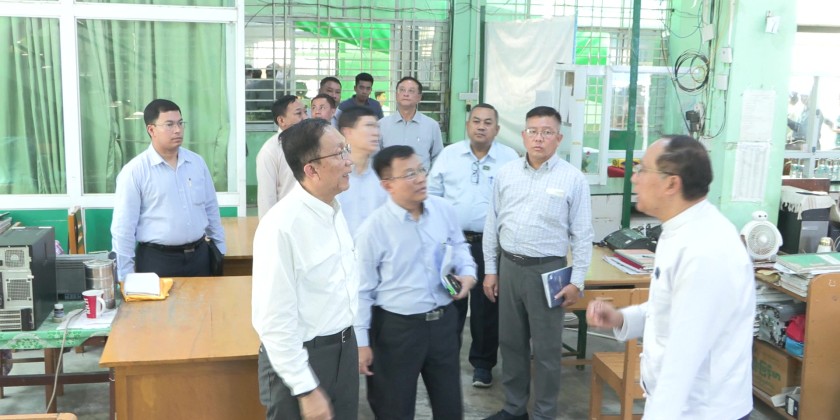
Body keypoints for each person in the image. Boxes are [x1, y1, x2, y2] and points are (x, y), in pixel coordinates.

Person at [586, 135, 755, 419]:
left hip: (701, 410)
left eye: (642, 170)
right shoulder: (679, 230)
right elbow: (671, 309)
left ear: (671, 184)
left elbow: (684, 355)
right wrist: (622, 318)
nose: (633, 178)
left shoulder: (705, 248)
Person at [482, 106, 593, 420]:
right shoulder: (506, 174)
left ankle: (544, 413)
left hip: (549, 271)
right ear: (523, 135)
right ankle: (514, 408)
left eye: (547, 132)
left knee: (545, 350)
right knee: (511, 344)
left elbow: (583, 234)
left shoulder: (573, 179)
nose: (539, 138)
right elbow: (492, 224)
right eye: (533, 131)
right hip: (509, 267)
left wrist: (577, 281)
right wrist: (491, 270)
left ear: (558, 138)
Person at [354, 145, 477, 419]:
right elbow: (362, 292)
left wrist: (468, 274)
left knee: (450, 407)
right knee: (394, 409)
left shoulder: (443, 210)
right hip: (397, 330)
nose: (421, 178)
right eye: (410, 174)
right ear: (387, 185)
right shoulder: (373, 230)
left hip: (443, 323)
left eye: (421, 169)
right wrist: (362, 342)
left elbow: (459, 246)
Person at [252, 118, 358, 420]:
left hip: (344, 350)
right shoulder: (281, 226)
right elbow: (274, 321)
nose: (349, 161)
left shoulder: (334, 210)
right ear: (311, 170)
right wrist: (305, 388)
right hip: (301, 360)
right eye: (339, 153)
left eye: (347, 149)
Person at [427, 103, 519, 388]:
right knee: (451, 304)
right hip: (453, 246)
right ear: (468, 125)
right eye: (476, 121)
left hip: (490, 246)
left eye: (488, 122)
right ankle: (445, 363)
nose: (481, 126)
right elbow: (432, 195)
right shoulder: (449, 155)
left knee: (487, 306)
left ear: (497, 129)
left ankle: (483, 365)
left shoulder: (509, 158)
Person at [111, 99, 226, 282]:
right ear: (151, 130)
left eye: (180, 123)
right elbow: (123, 228)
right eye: (169, 124)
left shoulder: (196, 163)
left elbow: (211, 208)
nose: (178, 130)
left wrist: (220, 249)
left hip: (199, 257)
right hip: (157, 261)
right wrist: (125, 277)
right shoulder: (135, 171)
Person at [335, 106, 387, 236]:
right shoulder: (331, 176)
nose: (376, 133)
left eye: (377, 127)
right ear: (348, 132)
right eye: (369, 126)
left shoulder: (380, 179)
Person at [256, 95, 306, 219]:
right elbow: (266, 198)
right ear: (281, 121)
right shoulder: (270, 151)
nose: (305, 117)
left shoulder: (313, 144)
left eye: (305, 112)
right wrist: (269, 226)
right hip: (286, 219)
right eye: (298, 113)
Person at [379, 76, 443, 170]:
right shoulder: (381, 125)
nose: (406, 94)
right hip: (390, 178)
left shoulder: (432, 126)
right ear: (396, 95)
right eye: (402, 90)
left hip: (421, 178)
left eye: (411, 91)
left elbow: (438, 157)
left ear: (419, 97)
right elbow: (374, 157)